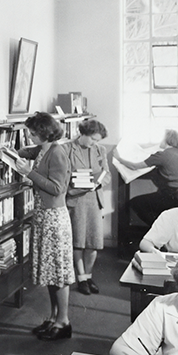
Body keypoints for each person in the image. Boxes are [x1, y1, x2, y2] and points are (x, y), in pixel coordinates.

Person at [15, 112, 75, 340]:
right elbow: (28, 152)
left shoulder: (57, 153)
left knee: (58, 273)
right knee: (51, 273)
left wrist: (28, 173)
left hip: (54, 219)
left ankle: (64, 321)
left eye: (32, 133)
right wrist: (9, 152)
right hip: (44, 216)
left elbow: (57, 188)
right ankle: (53, 317)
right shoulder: (43, 149)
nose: (29, 136)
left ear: (45, 133)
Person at [64, 119, 111, 295]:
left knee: (93, 241)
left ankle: (89, 276)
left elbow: (107, 174)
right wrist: (77, 184)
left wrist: (98, 183)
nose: (94, 143)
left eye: (97, 140)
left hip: (94, 198)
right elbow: (63, 176)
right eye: (93, 139)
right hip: (76, 199)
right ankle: (81, 277)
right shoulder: (67, 149)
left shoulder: (100, 150)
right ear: (83, 133)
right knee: (78, 241)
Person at [114, 129, 178, 227]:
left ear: (166, 140)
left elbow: (134, 166)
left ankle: (159, 228)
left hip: (173, 195)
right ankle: (162, 227)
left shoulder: (162, 155)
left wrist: (118, 158)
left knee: (135, 203)